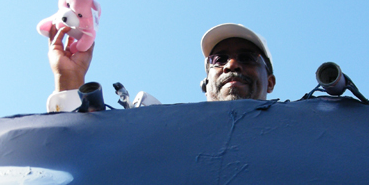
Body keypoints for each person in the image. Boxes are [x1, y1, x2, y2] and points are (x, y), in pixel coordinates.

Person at [45, 22, 275, 111]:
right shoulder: (168, 137)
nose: (231, 65)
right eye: (219, 59)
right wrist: (69, 78)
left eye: (247, 57)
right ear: (205, 84)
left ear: (271, 82)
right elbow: (83, 158)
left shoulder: (301, 139)